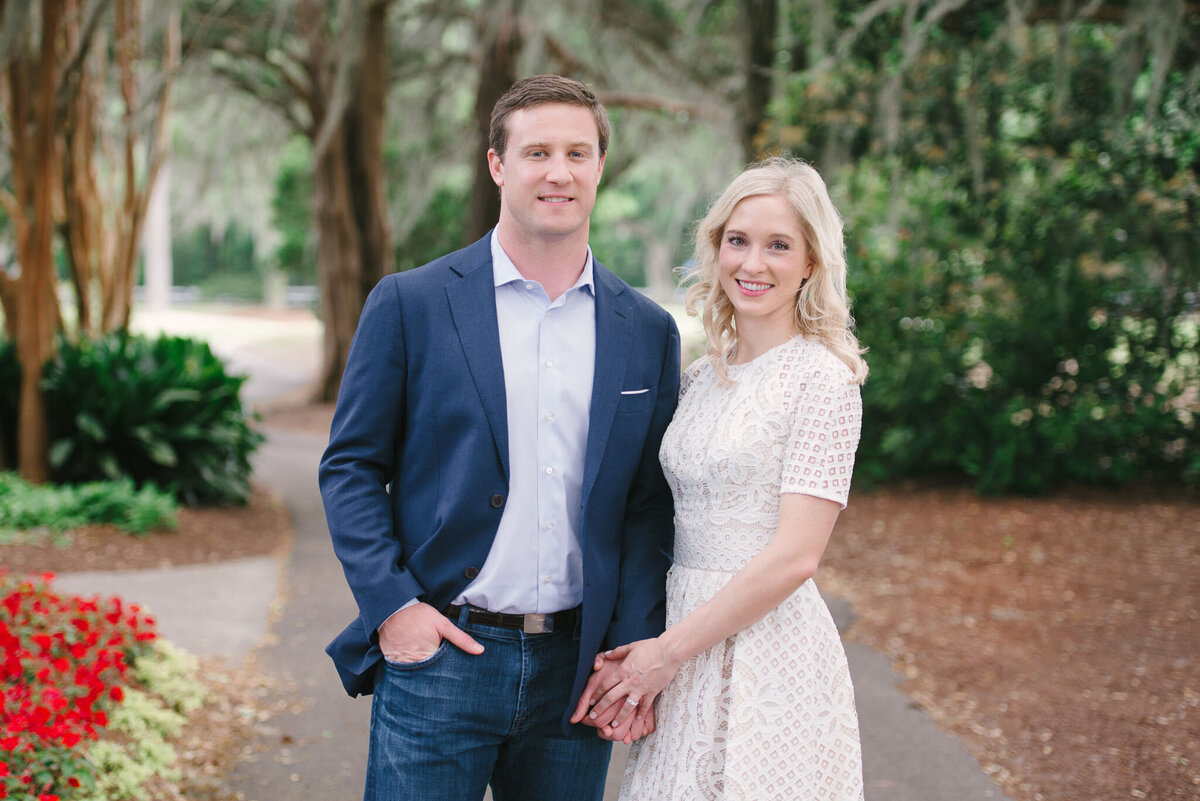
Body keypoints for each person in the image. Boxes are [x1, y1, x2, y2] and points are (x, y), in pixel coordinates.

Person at [318, 74, 681, 801]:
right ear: (497, 165)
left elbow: (646, 503)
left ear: (599, 168)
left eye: (578, 153)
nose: (558, 172)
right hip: (443, 655)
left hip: (576, 671)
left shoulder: (646, 329)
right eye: (537, 151)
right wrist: (394, 607)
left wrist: (636, 648)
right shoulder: (412, 303)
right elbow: (352, 466)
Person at [571, 157, 869, 800]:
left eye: (778, 246)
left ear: (812, 262)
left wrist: (669, 651)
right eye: (738, 241)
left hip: (765, 646)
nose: (752, 263)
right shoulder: (705, 374)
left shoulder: (826, 378)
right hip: (678, 631)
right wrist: (652, 642)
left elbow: (796, 557)